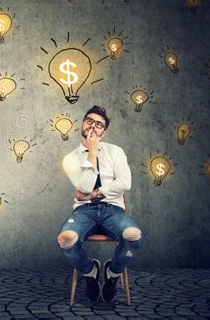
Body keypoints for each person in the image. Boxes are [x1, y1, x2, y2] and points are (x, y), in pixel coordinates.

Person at [57, 105, 143, 304]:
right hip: (83, 211)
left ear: (104, 131)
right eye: (89, 121)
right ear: (82, 124)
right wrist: (92, 152)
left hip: (112, 210)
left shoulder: (115, 152)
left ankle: (113, 273)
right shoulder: (70, 159)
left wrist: (96, 194)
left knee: (134, 237)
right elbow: (84, 186)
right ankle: (90, 271)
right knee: (66, 240)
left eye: (99, 124)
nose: (93, 127)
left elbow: (125, 183)